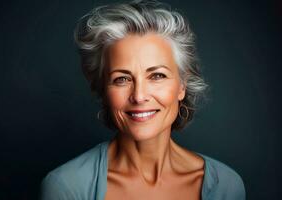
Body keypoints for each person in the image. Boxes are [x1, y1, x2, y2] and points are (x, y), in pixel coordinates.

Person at [41, 0, 246, 199]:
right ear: (103, 89)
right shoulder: (66, 187)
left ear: (182, 86)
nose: (139, 96)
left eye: (157, 76)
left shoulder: (226, 186)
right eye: (122, 79)